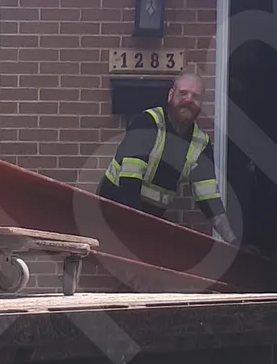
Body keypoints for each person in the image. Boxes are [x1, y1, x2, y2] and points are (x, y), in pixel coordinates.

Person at [98, 69, 233, 242]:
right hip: (114, 209)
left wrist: (233, 241)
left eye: (195, 96)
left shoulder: (200, 143)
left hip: (148, 221)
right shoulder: (147, 122)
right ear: (171, 95)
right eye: (183, 93)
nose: (189, 100)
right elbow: (129, 180)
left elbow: (209, 199)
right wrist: (135, 228)